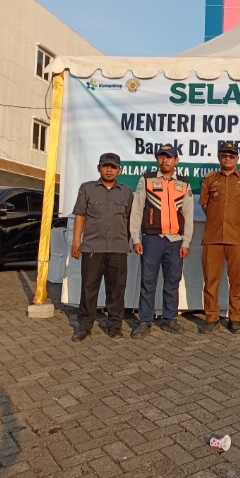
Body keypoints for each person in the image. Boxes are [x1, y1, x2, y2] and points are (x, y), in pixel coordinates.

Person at [129, 144, 194, 338]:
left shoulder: (183, 183)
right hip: (152, 239)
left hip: (175, 241)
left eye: (169, 157)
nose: (164, 160)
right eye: (161, 156)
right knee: (148, 281)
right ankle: (145, 321)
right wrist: (135, 238)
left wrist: (186, 242)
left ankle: (170, 319)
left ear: (176, 160)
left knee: (172, 281)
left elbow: (189, 215)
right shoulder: (147, 179)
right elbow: (136, 210)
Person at [69, 153, 133, 341]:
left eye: (113, 167)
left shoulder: (127, 192)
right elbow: (80, 216)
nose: (109, 170)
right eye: (105, 166)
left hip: (117, 248)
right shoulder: (87, 189)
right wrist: (76, 242)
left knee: (117, 289)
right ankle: (84, 326)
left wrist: (126, 240)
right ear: (99, 168)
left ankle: (114, 326)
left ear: (119, 170)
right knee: (88, 288)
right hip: (92, 247)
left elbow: (129, 220)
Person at [199, 142, 240, 335]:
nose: (228, 158)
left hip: (237, 238)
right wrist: (216, 221)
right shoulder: (210, 179)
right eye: (224, 155)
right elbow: (205, 205)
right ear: (219, 157)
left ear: (237, 158)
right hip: (213, 237)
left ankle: (235, 318)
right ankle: (211, 318)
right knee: (210, 280)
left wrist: (237, 222)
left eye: (232, 156)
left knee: (237, 281)